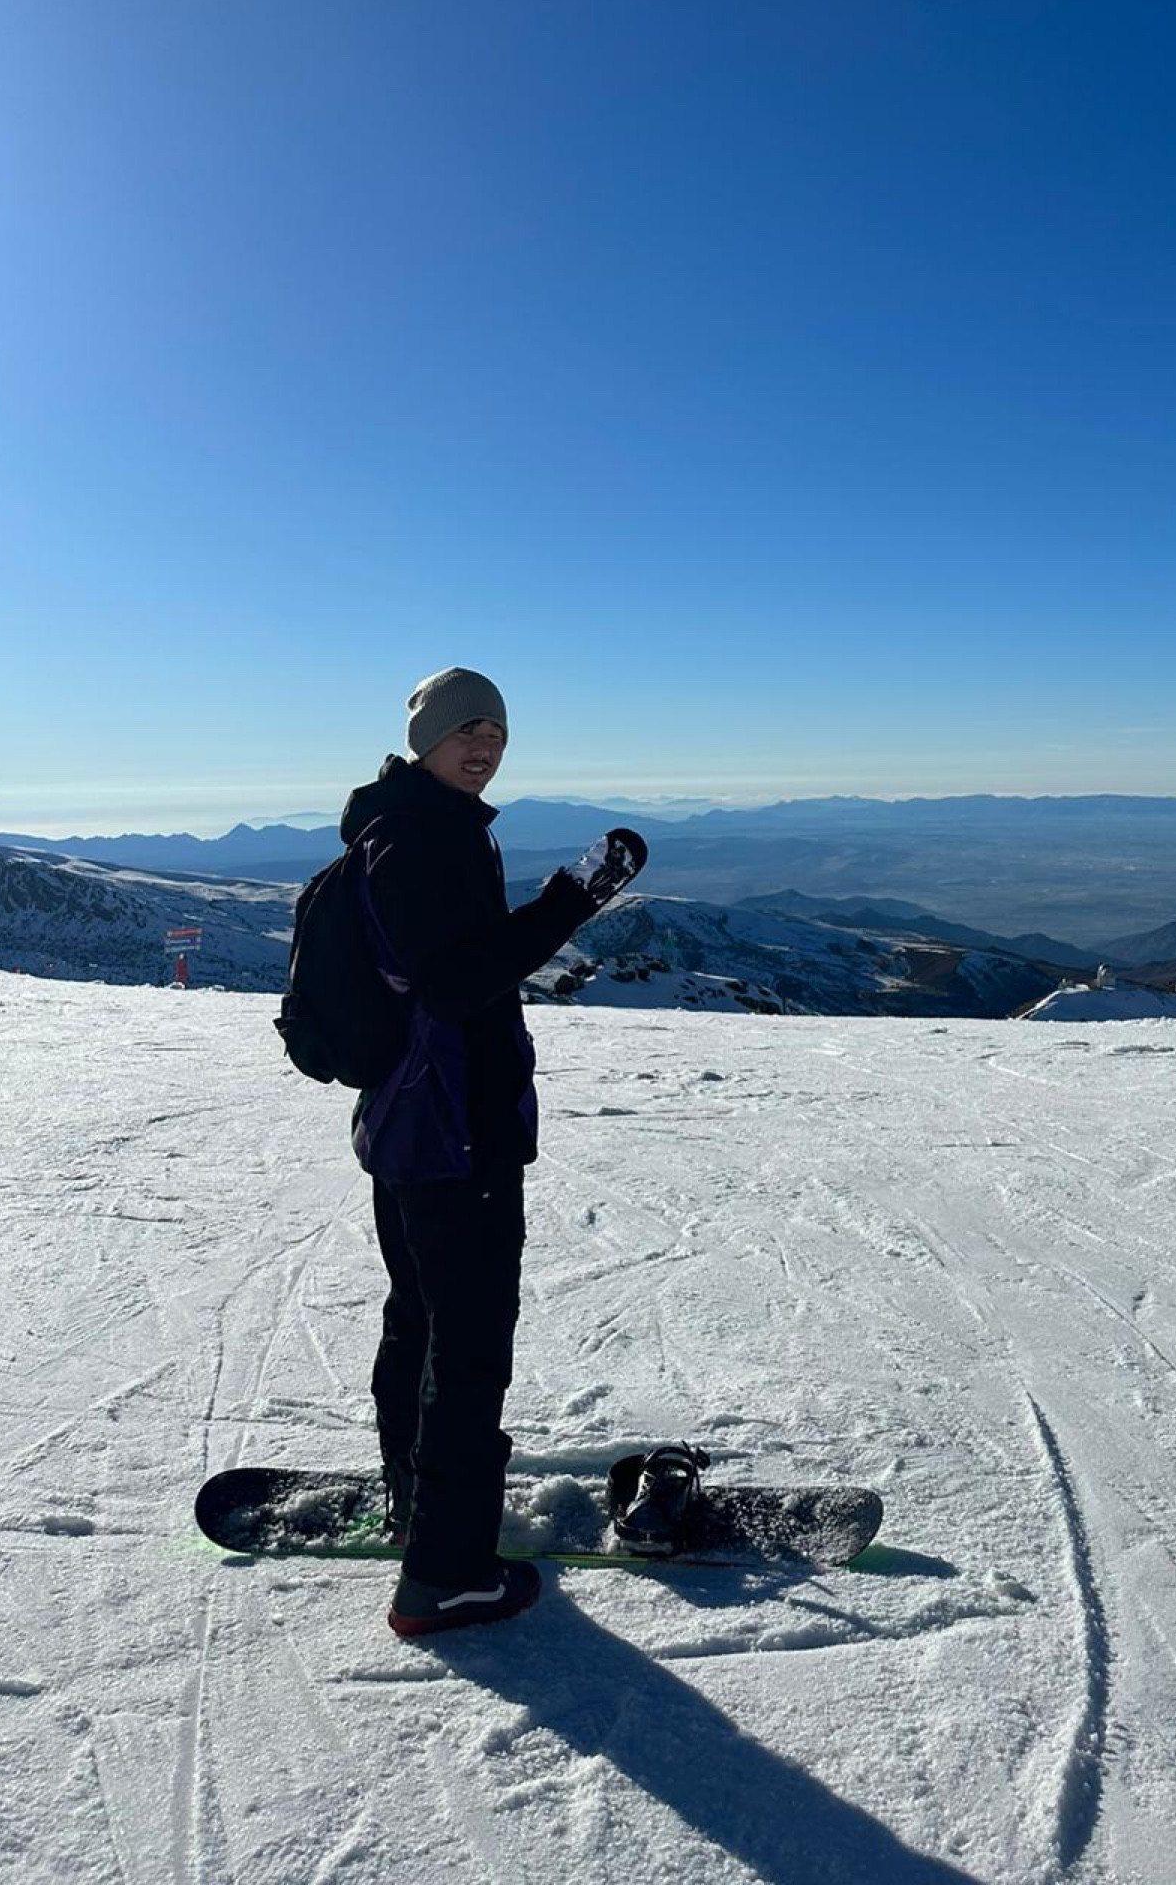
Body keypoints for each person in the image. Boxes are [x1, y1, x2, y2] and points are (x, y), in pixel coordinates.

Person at [339, 666, 643, 1638]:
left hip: (414, 1122)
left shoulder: (414, 825)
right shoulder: (422, 836)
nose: (485, 745)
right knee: (467, 1349)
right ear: (425, 737)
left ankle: (415, 1508)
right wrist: (570, 901)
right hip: (451, 1129)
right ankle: (446, 1574)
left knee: (422, 1323)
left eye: (497, 733)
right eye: (467, 727)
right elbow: (457, 985)